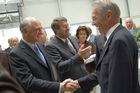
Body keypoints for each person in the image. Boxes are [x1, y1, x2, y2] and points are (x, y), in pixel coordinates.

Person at [73, 1, 140, 93]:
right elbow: (104, 72)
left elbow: (119, 84)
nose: (92, 23)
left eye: (94, 18)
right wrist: (77, 83)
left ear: (108, 15)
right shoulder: (113, 37)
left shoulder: (118, 41)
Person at [9, 17, 78, 93]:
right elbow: (28, 81)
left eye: (41, 29)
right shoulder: (16, 54)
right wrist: (59, 86)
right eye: (37, 29)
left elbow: (52, 69)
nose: (41, 32)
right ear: (25, 31)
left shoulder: (41, 45)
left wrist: (62, 83)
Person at [45, 17, 91, 93]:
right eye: (65, 27)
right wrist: (79, 56)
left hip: (84, 81)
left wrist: (84, 56)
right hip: (71, 86)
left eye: (68, 26)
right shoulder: (51, 46)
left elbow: (78, 57)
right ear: (57, 30)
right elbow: (60, 66)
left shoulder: (73, 38)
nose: (68, 28)